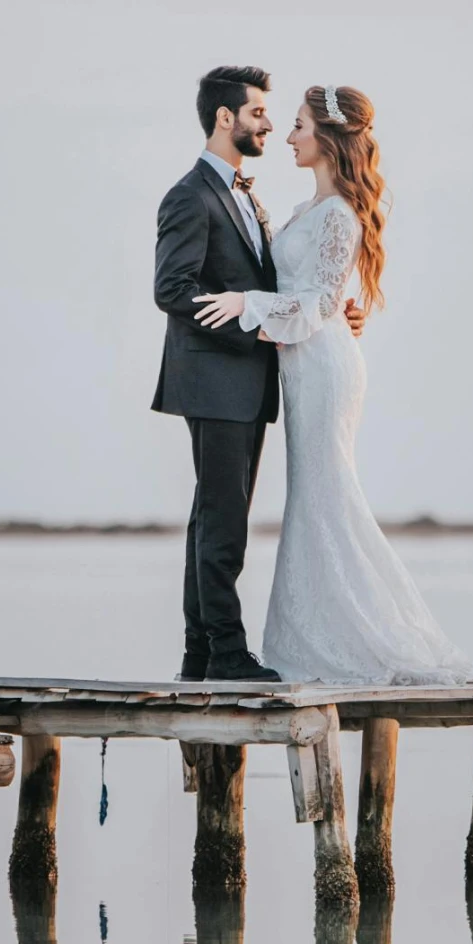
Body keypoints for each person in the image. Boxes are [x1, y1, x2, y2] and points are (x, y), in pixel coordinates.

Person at [191, 84, 473, 684]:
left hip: (322, 370)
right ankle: (319, 638)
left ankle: (370, 639)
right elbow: (320, 295)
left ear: (327, 138)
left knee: (327, 498)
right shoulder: (308, 211)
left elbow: (315, 303)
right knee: (314, 500)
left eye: (297, 126)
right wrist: (323, 307)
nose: (287, 137)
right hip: (304, 365)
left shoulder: (340, 214)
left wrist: (247, 303)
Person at [151, 66, 365, 683]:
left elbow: (288, 286)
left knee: (216, 518)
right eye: (259, 113)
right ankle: (225, 653)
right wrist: (246, 322)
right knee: (221, 523)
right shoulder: (190, 195)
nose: (270, 123)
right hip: (215, 380)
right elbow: (173, 291)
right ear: (226, 118)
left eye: (277, 116)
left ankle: (199, 656)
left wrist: (331, 312)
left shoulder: (250, 196)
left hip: (251, 382)